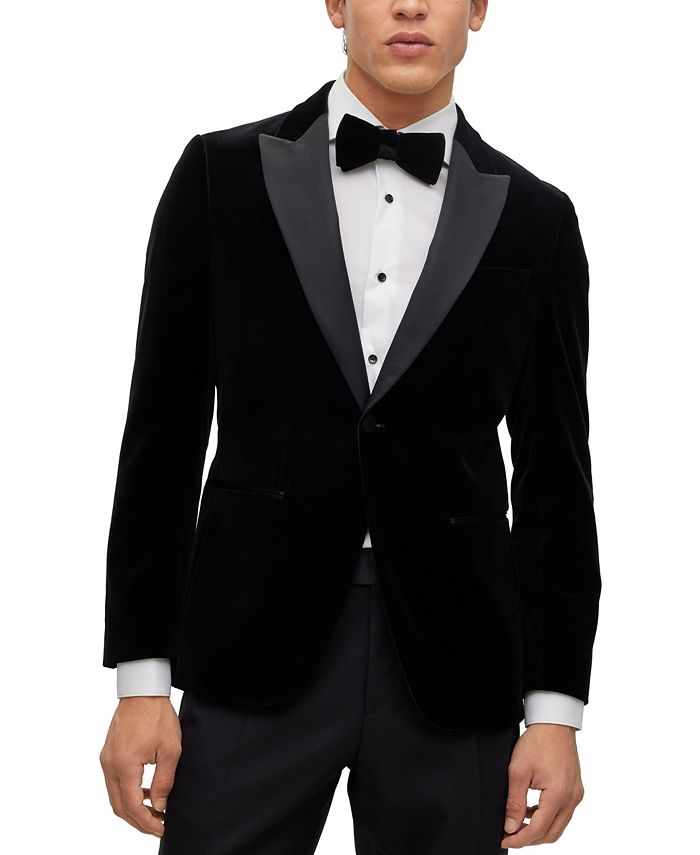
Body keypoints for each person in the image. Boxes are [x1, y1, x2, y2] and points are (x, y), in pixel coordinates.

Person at [99, 1, 601, 852]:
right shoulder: (221, 176)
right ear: (334, 2)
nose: (411, 6)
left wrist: (556, 708)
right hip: (251, 644)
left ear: (479, 8)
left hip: (454, 667)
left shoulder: (538, 218)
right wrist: (141, 679)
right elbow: (162, 435)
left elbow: (557, 476)